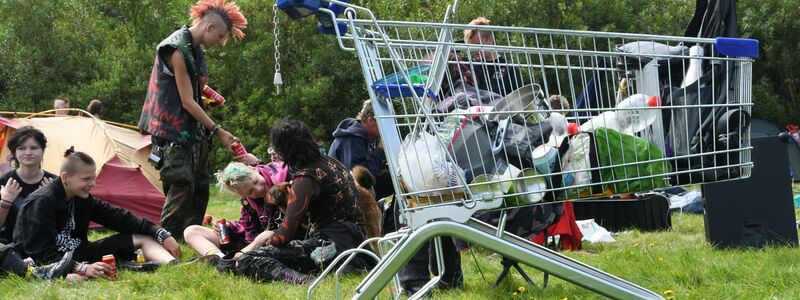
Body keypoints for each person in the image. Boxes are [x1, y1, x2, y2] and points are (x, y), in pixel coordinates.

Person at [138, 0, 247, 238]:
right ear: (208, 27)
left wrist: (207, 96)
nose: (219, 42)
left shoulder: (195, 51)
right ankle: (165, 240)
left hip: (192, 130)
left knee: (199, 187)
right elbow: (187, 101)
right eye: (219, 36)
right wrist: (218, 130)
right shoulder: (176, 49)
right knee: (181, 187)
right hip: (173, 132)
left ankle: (191, 236)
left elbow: (191, 91)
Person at [214, 118, 371, 283]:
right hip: (358, 244)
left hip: (331, 249)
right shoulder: (332, 162)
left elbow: (284, 236)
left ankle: (303, 281)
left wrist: (264, 241)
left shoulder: (305, 178)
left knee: (248, 259)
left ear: (284, 151)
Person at [14, 149, 180, 280]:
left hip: (80, 253)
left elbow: (118, 217)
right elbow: (40, 254)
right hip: (46, 263)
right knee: (73, 279)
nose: (92, 184)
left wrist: (160, 233)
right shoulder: (41, 202)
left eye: (93, 179)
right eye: (86, 179)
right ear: (66, 178)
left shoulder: (82, 198)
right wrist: (81, 268)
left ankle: (175, 266)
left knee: (143, 237)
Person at [183, 161, 307, 260]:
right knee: (191, 231)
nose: (258, 190)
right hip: (256, 242)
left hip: (287, 237)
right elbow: (247, 228)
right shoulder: (248, 202)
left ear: (253, 169)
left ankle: (237, 258)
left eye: (256, 182)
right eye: (250, 192)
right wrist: (229, 227)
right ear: (242, 195)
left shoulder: (285, 178)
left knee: (265, 235)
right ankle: (219, 258)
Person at [0, 126, 57, 245]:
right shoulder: (4, 182)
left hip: (45, 245)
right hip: (9, 245)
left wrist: (50, 201)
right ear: (14, 153)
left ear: (43, 151)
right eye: (22, 148)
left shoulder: (54, 183)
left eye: (34, 148)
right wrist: (5, 202)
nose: (28, 153)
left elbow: (64, 226)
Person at [328, 100, 392, 199]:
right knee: (394, 178)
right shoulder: (352, 139)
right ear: (370, 120)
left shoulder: (363, 136)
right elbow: (360, 178)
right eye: (383, 122)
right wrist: (380, 150)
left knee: (398, 174)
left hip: (352, 191)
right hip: (346, 197)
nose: (386, 127)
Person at [464, 17, 525, 97]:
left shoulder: (510, 70)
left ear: (490, 39)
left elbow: (519, 102)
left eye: (477, 45)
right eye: (471, 47)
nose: (474, 50)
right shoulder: (469, 67)